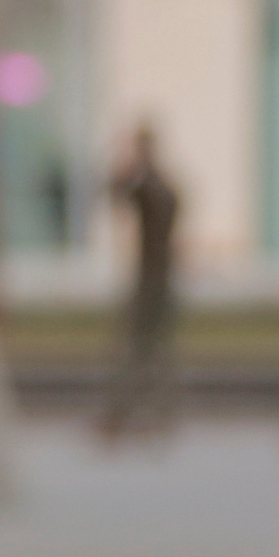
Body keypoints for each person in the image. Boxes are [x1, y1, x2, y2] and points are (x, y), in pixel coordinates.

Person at [102, 120, 181, 438]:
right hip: (155, 273)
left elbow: (118, 196)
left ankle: (132, 415)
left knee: (139, 349)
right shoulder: (161, 183)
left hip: (152, 275)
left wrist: (123, 170)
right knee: (150, 349)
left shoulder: (152, 184)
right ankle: (147, 415)